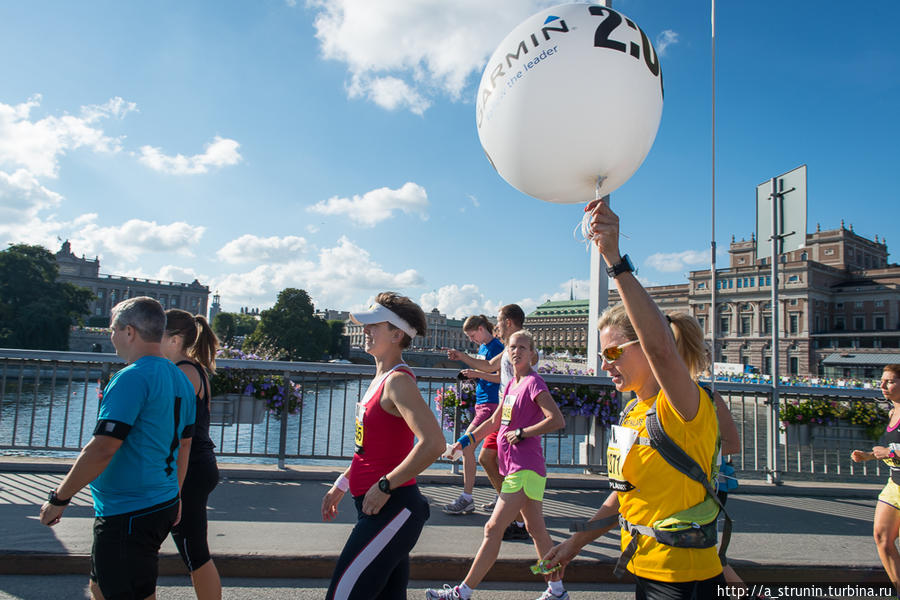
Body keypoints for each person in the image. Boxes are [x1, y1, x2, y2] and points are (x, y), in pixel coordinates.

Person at [543, 199, 724, 599]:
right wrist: (576, 543)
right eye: (601, 355)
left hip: (683, 577)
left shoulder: (682, 405)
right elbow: (624, 494)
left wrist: (614, 258)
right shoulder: (633, 412)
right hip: (643, 565)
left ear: (644, 347)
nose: (605, 365)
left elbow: (662, 350)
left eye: (613, 353)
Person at [39, 296, 196, 600]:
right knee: (104, 586)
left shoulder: (131, 378)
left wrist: (59, 498)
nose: (110, 337)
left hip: (128, 510)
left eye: (112, 329)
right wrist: (175, 494)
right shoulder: (179, 378)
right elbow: (185, 444)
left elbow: (103, 448)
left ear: (129, 332)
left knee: (123, 590)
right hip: (159, 500)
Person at [426, 329, 568, 600]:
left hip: (524, 469)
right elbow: (492, 422)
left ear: (532, 354)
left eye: (522, 348)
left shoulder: (533, 383)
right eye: (513, 347)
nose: (516, 352)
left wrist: (523, 432)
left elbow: (557, 419)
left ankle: (462, 592)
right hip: (517, 468)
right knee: (536, 530)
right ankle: (557, 591)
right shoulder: (512, 384)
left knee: (493, 529)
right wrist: (463, 442)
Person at [321, 292, 445, 600]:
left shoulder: (398, 382)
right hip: (378, 507)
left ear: (397, 333)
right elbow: (368, 448)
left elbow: (434, 443)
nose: (366, 330)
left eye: (374, 324)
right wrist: (342, 484)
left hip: (394, 508)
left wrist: (386, 485)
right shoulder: (380, 378)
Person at [449, 304, 529, 540]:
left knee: (507, 466)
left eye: (499, 321)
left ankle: (516, 519)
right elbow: (488, 366)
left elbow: (523, 379)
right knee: (490, 459)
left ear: (508, 322)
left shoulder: (519, 347)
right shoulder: (509, 348)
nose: (496, 327)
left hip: (514, 414)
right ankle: (516, 518)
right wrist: (463, 357)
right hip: (504, 413)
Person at [161, 308, 222, 600]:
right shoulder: (192, 368)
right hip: (199, 465)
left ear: (174, 340)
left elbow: (179, 436)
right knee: (192, 547)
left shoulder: (183, 373)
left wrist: (174, 487)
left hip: (189, 470)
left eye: (156, 333)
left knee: (194, 551)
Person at [443, 315, 504, 516]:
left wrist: (474, 372)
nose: (472, 339)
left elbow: (496, 376)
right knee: (489, 455)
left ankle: (467, 497)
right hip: (483, 404)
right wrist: (473, 373)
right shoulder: (484, 348)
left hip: (490, 405)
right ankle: (500, 496)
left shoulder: (496, 347)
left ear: (480, 328)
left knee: (468, 447)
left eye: (472, 335)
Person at [851, 364, 900, 597]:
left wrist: (887, 453)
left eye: (889, 381)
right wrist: (869, 456)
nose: (882, 386)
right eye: (882, 381)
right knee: (882, 538)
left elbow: (892, 451)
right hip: (894, 485)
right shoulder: (892, 412)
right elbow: (892, 448)